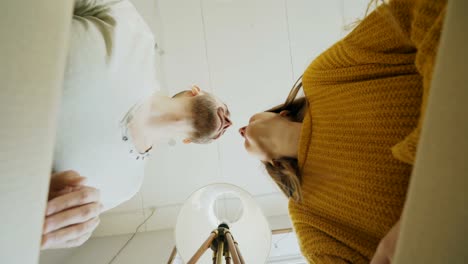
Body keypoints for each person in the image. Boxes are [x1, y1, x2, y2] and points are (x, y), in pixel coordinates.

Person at [239, 0, 446, 263]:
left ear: (282, 113)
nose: (241, 130)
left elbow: (418, 9)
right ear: (272, 162)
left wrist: (435, 160)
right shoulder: (309, 218)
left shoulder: (325, 77)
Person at [41, 0, 232, 249]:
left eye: (227, 123)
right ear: (196, 90)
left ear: (188, 141)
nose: (229, 121)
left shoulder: (126, 186)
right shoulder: (134, 33)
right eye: (226, 108)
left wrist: (43, 226)